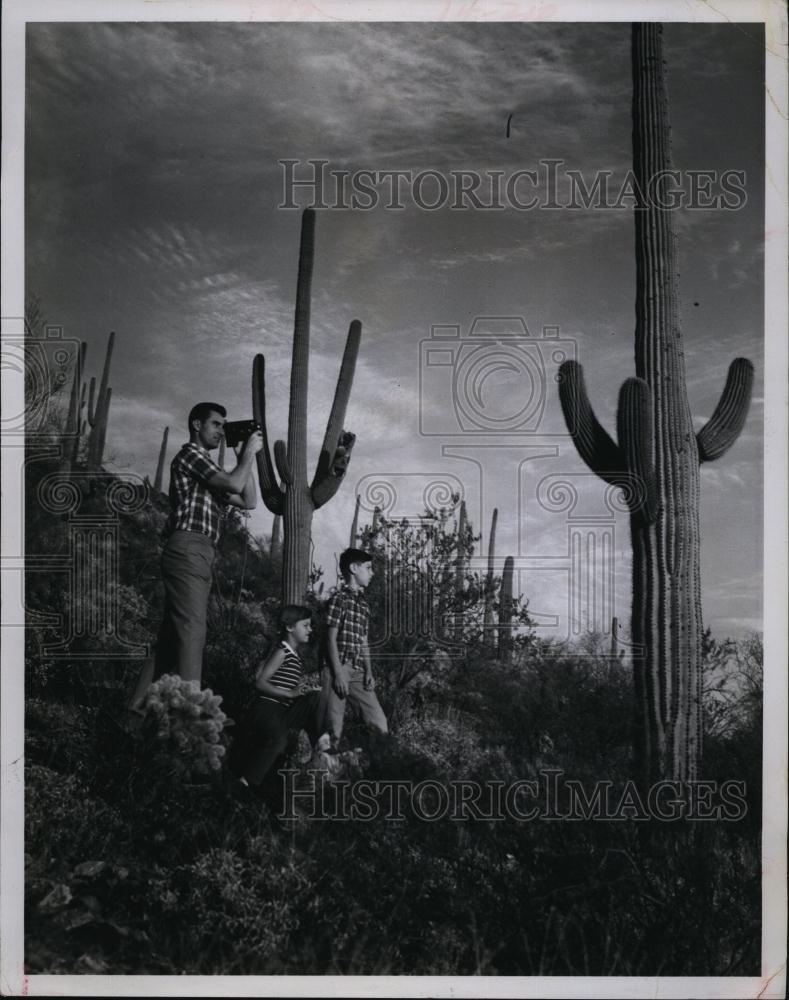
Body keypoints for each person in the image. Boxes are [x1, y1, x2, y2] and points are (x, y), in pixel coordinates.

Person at [130, 402, 262, 707]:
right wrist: (247, 456)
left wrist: (245, 456)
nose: (220, 431)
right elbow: (232, 482)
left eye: (223, 425)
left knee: (169, 641)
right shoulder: (191, 455)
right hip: (189, 546)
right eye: (216, 424)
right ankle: (191, 715)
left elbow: (249, 499)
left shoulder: (209, 471)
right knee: (193, 632)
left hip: (199, 552)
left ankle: (134, 715)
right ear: (196, 425)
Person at [229, 605, 328, 791]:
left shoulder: (295, 657)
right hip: (265, 709)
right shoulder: (282, 651)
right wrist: (289, 693)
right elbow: (260, 683)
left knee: (316, 696)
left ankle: (322, 747)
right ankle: (244, 782)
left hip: (282, 710)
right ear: (290, 627)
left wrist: (302, 689)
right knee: (279, 739)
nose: (310, 630)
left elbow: (286, 685)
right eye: (306, 625)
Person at [320, 547, 387, 749]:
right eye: (368, 568)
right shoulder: (339, 599)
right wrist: (338, 674)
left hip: (357, 671)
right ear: (353, 568)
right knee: (333, 731)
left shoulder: (364, 605)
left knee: (379, 725)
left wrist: (369, 671)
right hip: (336, 669)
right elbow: (330, 639)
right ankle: (323, 776)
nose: (372, 573)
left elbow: (363, 640)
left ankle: (371, 768)